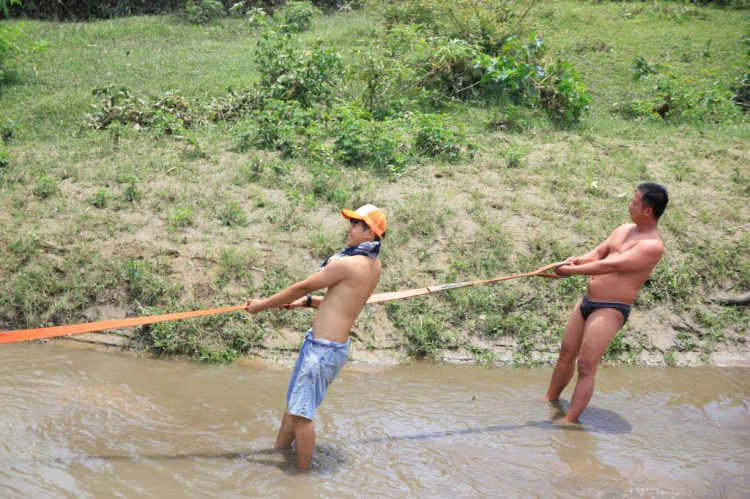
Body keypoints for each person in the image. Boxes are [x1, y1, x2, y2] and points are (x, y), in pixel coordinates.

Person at [245, 204, 386, 468]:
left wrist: (262, 305)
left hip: (322, 350)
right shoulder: (373, 265)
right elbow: (342, 301)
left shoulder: (348, 263)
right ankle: (281, 451)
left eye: (357, 224)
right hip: (328, 347)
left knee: (300, 412)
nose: (350, 228)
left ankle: (302, 476)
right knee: (294, 406)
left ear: (370, 235)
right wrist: (307, 302)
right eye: (352, 223)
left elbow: (302, 285)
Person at [544, 182, 668, 423]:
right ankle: (550, 399)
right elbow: (600, 253)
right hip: (588, 301)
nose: (629, 204)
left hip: (610, 308)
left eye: (634, 202)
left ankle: (570, 421)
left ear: (647, 211)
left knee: (586, 366)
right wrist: (578, 260)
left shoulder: (652, 246)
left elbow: (611, 265)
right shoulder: (624, 229)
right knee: (566, 353)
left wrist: (570, 272)